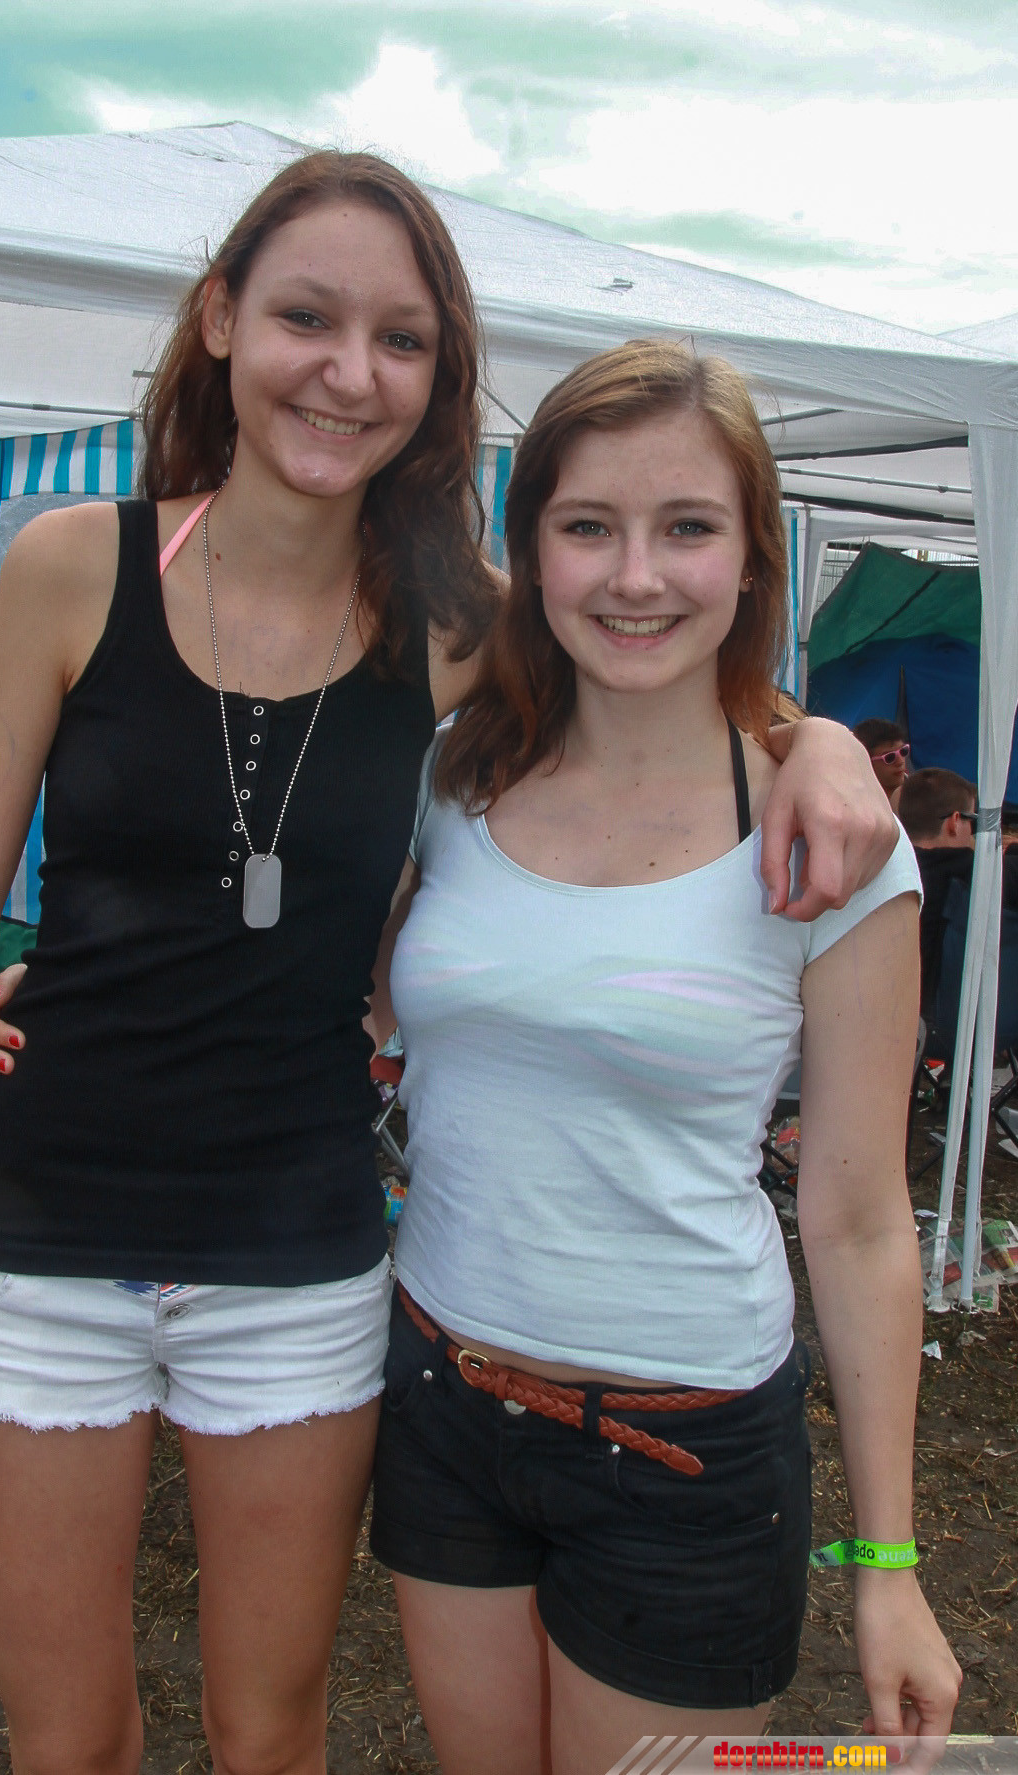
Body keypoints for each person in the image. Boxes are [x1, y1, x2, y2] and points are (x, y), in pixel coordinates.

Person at [0, 152, 897, 1775]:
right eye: (305, 319)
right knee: (68, 1743)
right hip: (34, 1246)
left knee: (270, 1734)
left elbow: (654, 651)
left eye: (399, 339)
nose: (347, 372)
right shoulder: (71, 565)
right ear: (219, 320)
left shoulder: (455, 625)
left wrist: (812, 737)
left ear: (437, 377)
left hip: (298, 1257)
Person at [366, 342, 960, 1770]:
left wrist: (885, 1561)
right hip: (440, 1395)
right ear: (532, 551)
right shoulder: (449, 775)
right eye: (588, 525)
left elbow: (859, 1217)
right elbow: (318, 984)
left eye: (686, 526)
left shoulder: (832, 843)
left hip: (684, 1450)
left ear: (752, 558)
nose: (634, 576)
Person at [899, 767, 1018, 1017]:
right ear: (954, 822)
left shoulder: (886, 873)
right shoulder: (980, 876)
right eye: (972, 821)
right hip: (959, 1027)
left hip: (895, 1018)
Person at [853, 718, 910, 810]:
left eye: (903, 751)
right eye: (889, 757)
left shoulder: (923, 795)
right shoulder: (855, 807)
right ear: (866, 762)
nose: (900, 762)